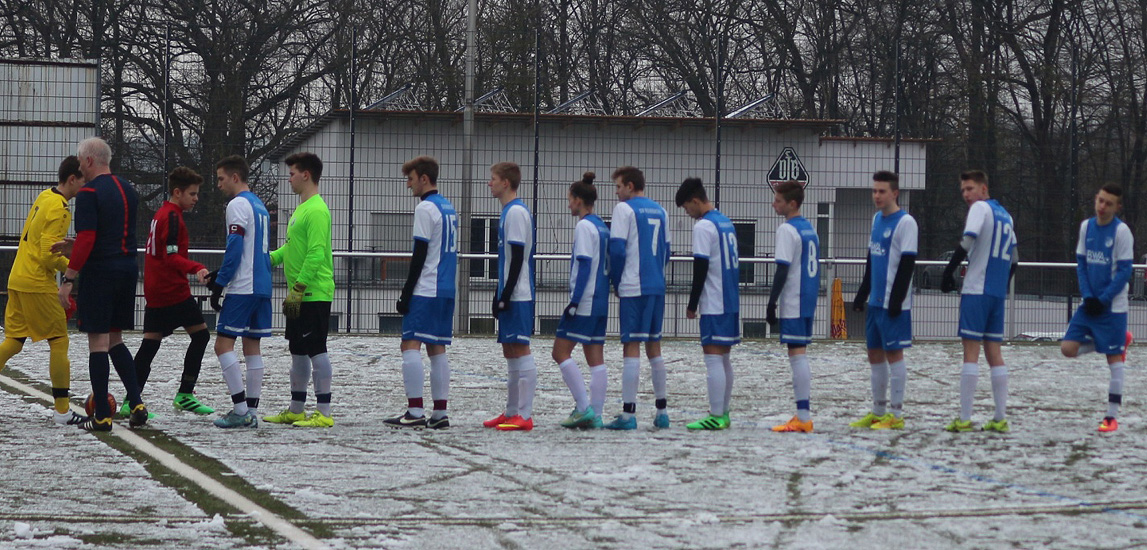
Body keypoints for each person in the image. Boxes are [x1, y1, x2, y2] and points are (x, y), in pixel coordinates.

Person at [56, 138, 148, 431]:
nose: (80, 166)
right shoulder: (128, 190)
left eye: (81, 161)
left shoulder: (88, 193)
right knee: (116, 339)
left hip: (101, 273)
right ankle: (137, 403)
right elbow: (108, 233)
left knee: (97, 342)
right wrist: (78, 244)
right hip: (127, 268)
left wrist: (69, 278)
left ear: (90, 161)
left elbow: (88, 238)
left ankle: (102, 417)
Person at [0, 156, 86, 425]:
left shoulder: (44, 196)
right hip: (37, 282)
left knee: (14, 341)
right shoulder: (60, 208)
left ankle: (62, 409)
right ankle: (62, 410)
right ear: (73, 179)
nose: (85, 186)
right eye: (84, 181)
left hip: (17, 278)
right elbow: (48, 255)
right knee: (59, 340)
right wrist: (73, 266)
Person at [130, 167, 214, 418]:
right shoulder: (173, 218)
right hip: (172, 290)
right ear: (177, 192)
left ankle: (131, 400)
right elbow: (171, 257)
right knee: (201, 337)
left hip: (155, 289)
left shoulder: (161, 214)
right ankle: (185, 394)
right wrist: (197, 267)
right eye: (192, 193)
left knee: (150, 343)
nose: (196, 198)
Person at [262, 152, 337, 428]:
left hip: (313, 293)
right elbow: (293, 248)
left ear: (306, 175)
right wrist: (268, 259)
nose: (289, 178)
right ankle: (296, 409)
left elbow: (316, 254)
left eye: (292, 173)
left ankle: (324, 413)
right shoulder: (300, 209)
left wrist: (299, 287)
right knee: (297, 350)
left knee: (316, 348)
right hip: (300, 294)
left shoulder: (317, 210)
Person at [383, 156, 457, 430]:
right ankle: (440, 413)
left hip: (427, 288)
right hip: (446, 287)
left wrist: (406, 292)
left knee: (409, 344)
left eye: (411, 179)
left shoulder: (425, 208)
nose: (408, 185)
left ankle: (415, 411)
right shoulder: (448, 208)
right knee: (437, 348)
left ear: (424, 179)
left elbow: (420, 254)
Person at [940, 170, 1017, 433]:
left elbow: (967, 240)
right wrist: (1002, 284)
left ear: (984, 189)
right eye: (963, 190)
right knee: (994, 353)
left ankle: (964, 418)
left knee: (970, 354)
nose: (966, 195)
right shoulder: (1006, 215)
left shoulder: (980, 209)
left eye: (970, 189)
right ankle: (999, 417)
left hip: (976, 290)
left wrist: (948, 271)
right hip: (996, 293)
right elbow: (1015, 259)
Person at [1060, 183, 1134, 433]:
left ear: (1117, 207)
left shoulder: (1122, 232)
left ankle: (1111, 417)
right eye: (1100, 201)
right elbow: (1081, 264)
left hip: (1112, 307)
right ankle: (1120, 340)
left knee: (1114, 361)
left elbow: (1124, 273)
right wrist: (1088, 296)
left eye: (1109, 203)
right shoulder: (1086, 227)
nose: (1102, 207)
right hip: (1089, 303)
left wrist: (1101, 300)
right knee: (1067, 349)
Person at [208, 155, 273, 429]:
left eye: (221, 178)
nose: (219, 184)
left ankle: (240, 409)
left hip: (243, 286)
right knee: (252, 346)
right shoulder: (260, 206)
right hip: (263, 285)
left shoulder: (237, 204)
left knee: (223, 344)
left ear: (235, 177)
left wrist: (220, 282)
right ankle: (252, 411)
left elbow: (235, 246)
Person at [850, 170, 917, 431]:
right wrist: (862, 292)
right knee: (874, 355)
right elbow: (871, 259)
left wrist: (897, 301)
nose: (876, 196)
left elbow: (907, 264)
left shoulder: (906, 223)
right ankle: (878, 412)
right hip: (876, 302)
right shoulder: (877, 219)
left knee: (894, 355)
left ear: (895, 193)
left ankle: (896, 415)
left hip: (893, 303)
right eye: (874, 191)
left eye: (882, 191)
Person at [606, 166, 671, 430]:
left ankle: (628, 414)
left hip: (634, 285)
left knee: (630, 347)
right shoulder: (661, 210)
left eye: (619, 186)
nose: (617, 192)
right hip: (656, 285)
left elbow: (618, 249)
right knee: (654, 347)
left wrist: (617, 280)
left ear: (630, 186)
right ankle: (662, 412)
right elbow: (667, 251)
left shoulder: (624, 209)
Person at [676, 178, 740, 431]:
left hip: (714, 301)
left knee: (713, 359)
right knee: (724, 359)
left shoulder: (703, 227)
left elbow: (700, 268)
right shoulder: (725, 222)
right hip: (730, 299)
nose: (687, 213)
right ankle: (723, 412)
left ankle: (715, 414)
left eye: (686, 208)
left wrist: (692, 304)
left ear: (695, 201)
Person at [482, 162, 537, 431]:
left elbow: (517, 258)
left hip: (519, 294)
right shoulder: (507, 212)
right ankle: (512, 411)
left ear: (506, 183)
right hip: (510, 291)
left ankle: (524, 415)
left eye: (492, 179)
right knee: (509, 350)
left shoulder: (516, 212)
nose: (489, 183)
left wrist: (506, 294)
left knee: (521, 348)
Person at [553, 172, 610, 430]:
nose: (568, 205)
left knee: (560, 352)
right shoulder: (602, 226)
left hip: (585, 301)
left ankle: (583, 407)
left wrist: (574, 302)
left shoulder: (584, 227)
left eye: (569, 200)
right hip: (600, 302)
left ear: (578, 200)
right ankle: (595, 415)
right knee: (595, 358)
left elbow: (585, 266)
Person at [767, 181, 819, 433]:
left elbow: (783, 268)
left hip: (795, 299)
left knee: (797, 355)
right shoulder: (809, 228)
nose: (774, 204)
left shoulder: (787, 230)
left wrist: (772, 301)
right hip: (808, 298)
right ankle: (802, 415)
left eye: (778, 200)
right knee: (798, 353)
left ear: (792, 204)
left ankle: (803, 416)